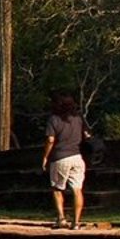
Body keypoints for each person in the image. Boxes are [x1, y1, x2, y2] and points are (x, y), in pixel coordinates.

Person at [42, 92, 89, 230]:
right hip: (77, 157)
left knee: (57, 188)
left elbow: (50, 139)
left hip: (60, 157)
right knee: (77, 189)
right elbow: (87, 134)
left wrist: (45, 156)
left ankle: (61, 218)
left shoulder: (53, 119)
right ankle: (76, 222)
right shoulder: (78, 118)